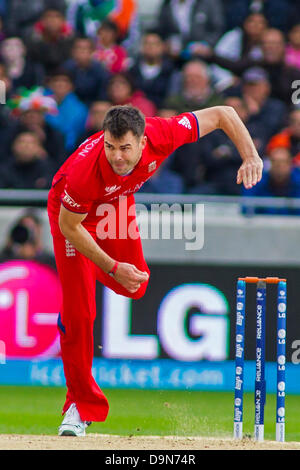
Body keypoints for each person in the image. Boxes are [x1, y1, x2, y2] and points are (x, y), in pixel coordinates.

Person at [47, 104, 263, 436]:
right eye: (110, 147)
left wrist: (250, 156)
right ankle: (80, 405)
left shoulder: (164, 133)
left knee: (135, 287)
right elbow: (70, 227)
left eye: (125, 148)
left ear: (144, 141)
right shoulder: (83, 172)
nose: (117, 157)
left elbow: (224, 113)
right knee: (80, 313)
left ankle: (92, 272)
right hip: (71, 215)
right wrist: (113, 265)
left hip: (114, 206)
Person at [242, 147, 300, 215]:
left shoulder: (298, 182)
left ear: (290, 164)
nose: (279, 166)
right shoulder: (256, 182)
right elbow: (246, 208)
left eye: (283, 162)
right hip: (263, 223)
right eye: (275, 162)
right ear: (270, 163)